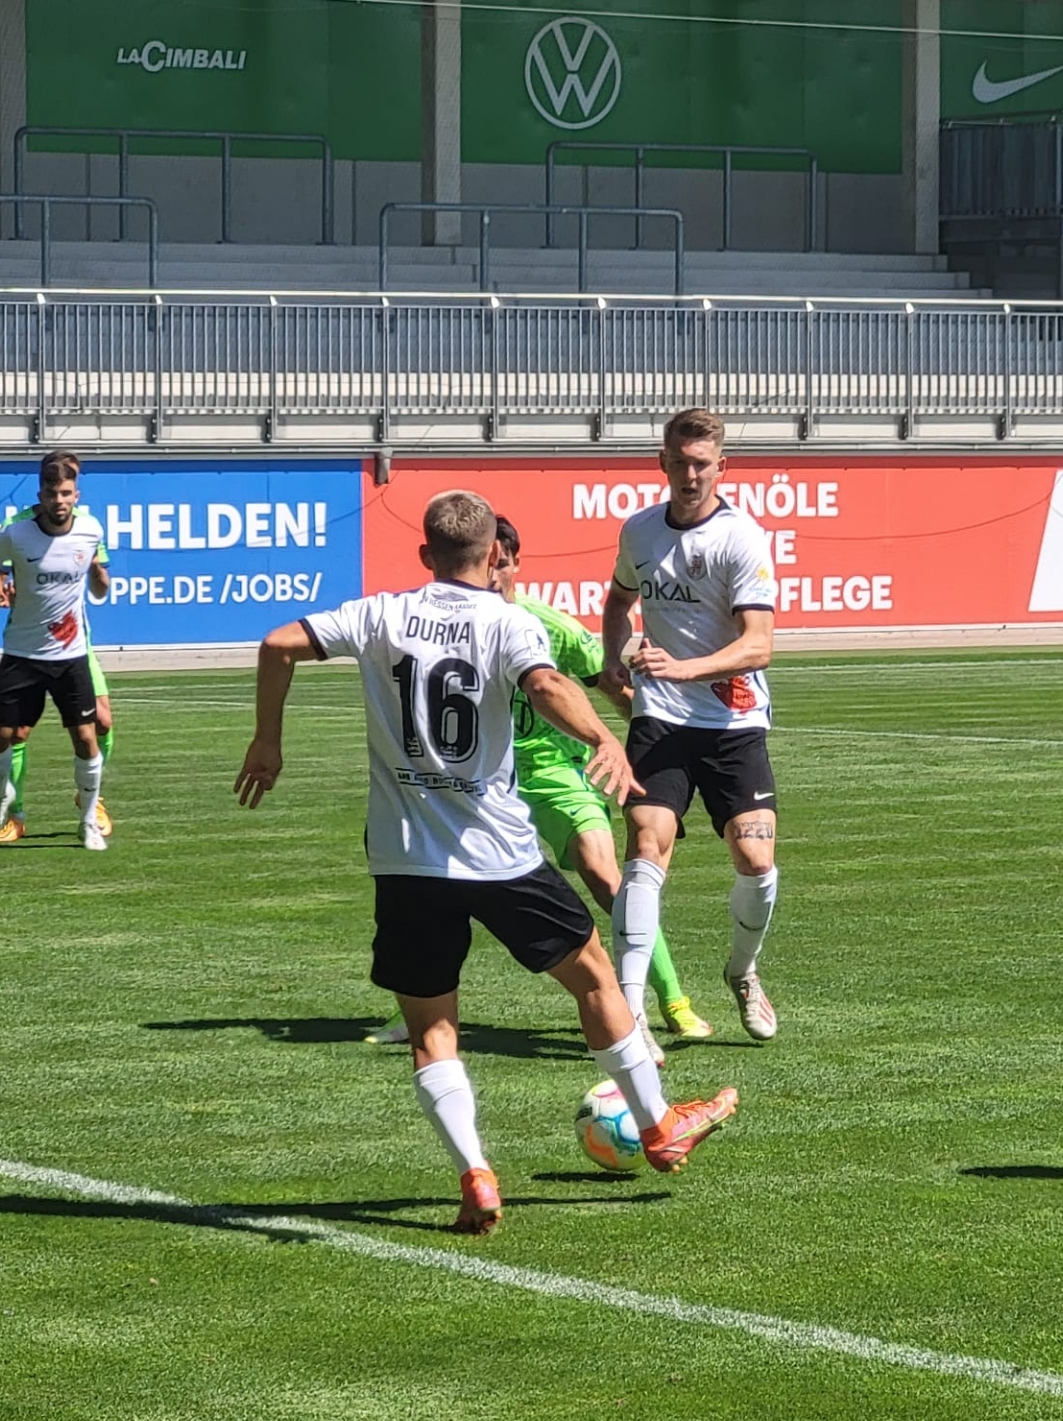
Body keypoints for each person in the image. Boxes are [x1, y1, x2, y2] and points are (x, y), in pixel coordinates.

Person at [235, 489, 737, 1236]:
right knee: (594, 978)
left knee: (433, 1031)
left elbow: (278, 644)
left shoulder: (379, 615)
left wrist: (268, 741)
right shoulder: (507, 621)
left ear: (424, 554)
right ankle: (658, 1126)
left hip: (406, 862)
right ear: (495, 553)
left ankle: (475, 1172)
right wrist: (603, 736)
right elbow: (547, 683)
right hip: (498, 855)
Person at [366, 514, 714, 1053]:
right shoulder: (443, 625)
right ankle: (412, 1012)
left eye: (504, 564)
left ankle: (671, 1000)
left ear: (513, 564)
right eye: (491, 563)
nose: (495, 574)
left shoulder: (549, 626)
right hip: (476, 781)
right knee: (433, 882)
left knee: (606, 875)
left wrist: (651, 755)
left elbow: (612, 687)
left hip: (551, 773)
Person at [603, 408, 782, 1044]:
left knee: (755, 858)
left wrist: (683, 668)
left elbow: (759, 645)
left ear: (721, 467)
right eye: (678, 462)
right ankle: (629, 1010)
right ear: (662, 463)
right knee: (646, 844)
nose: (689, 475)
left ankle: (743, 969)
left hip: (734, 719)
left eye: (701, 464)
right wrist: (612, 657)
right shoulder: (640, 531)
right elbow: (619, 599)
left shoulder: (741, 538)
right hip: (661, 718)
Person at [0, 451, 111, 851]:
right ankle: (2, 797)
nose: (59, 500)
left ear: (76, 495)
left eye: (66, 493)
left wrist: (98, 575)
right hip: (22, 653)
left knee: (88, 735)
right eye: (52, 493)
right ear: (41, 495)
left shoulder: (91, 530)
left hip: (71, 655)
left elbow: (97, 584)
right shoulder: (18, 533)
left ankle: (89, 819)